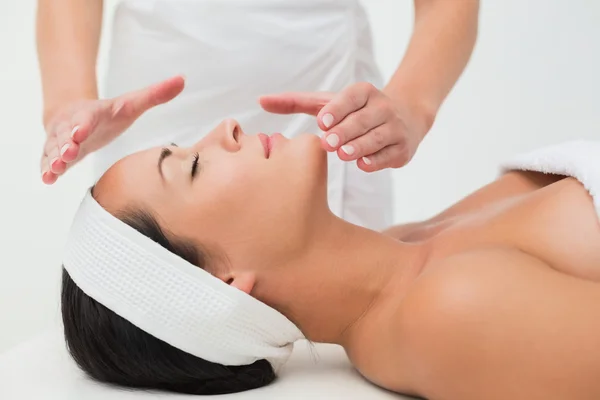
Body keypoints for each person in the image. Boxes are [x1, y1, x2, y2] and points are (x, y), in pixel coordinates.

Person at [61, 119, 600, 399]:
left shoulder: (407, 244)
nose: (226, 127)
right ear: (221, 287)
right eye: (194, 166)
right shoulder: (447, 314)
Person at [36, 0, 479, 231]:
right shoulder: (152, 168)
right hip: (148, 111)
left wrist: (411, 105)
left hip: (326, 107)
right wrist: (68, 101)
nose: (229, 131)